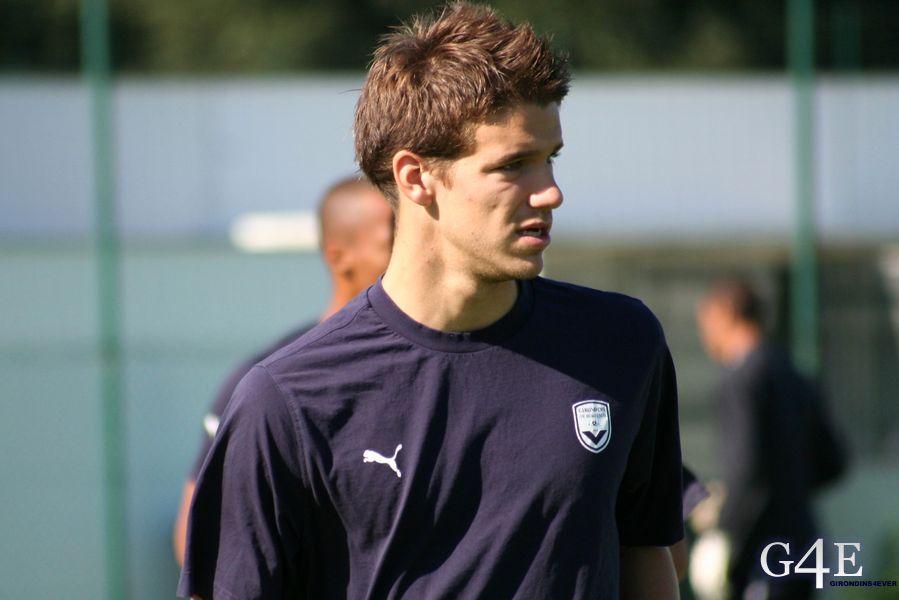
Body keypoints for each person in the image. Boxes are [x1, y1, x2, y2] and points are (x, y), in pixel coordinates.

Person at [178, 3, 684, 598]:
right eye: (513, 165)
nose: (550, 192)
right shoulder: (287, 402)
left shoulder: (621, 343)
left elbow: (644, 552)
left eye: (551, 159)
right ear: (416, 177)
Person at [172, 176, 393, 565]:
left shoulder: (433, 361)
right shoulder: (271, 381)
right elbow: (197, 541)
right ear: (338, 255)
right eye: (393, 243)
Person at [696, 278, 847, 599]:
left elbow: (747, 470)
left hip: (761, 553)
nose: (705, 333)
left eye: (707, 321)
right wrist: (787, 491)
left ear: (727, 313)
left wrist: (726, 528)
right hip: (804, 542)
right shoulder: (794, 372)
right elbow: (833, 462)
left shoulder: (741, 379)